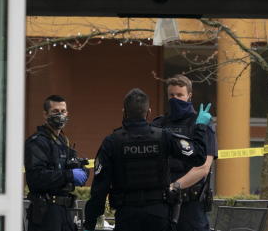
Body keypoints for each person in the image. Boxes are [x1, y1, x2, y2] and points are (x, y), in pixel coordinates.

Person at [83, 87, 212, 231]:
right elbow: (199, 157)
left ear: (124, 112)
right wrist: (200, 127)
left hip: (127, 216)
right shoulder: (163, 137)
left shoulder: (112, 142)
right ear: (148, 112)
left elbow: (99, 190)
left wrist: (89, 223)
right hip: (159, 216)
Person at [151, 75, 216, 231]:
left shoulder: (201, 123)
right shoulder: (158, 124)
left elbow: (203, 167)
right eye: (171, 95)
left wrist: (174, 186)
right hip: (162, 204)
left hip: (191, 205)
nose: (175, 99)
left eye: (180, 95)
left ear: (189, 96)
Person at [25, 94, 90, 231]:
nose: (60, 115)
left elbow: (67, 168)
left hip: (66, 212)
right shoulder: (37, 142)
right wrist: (68, 175)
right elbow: (37, 177)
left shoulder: (62, 141)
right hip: (46, 213)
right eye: (55, 111)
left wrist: (81, 170)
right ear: (45, 114)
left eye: (63, 111)